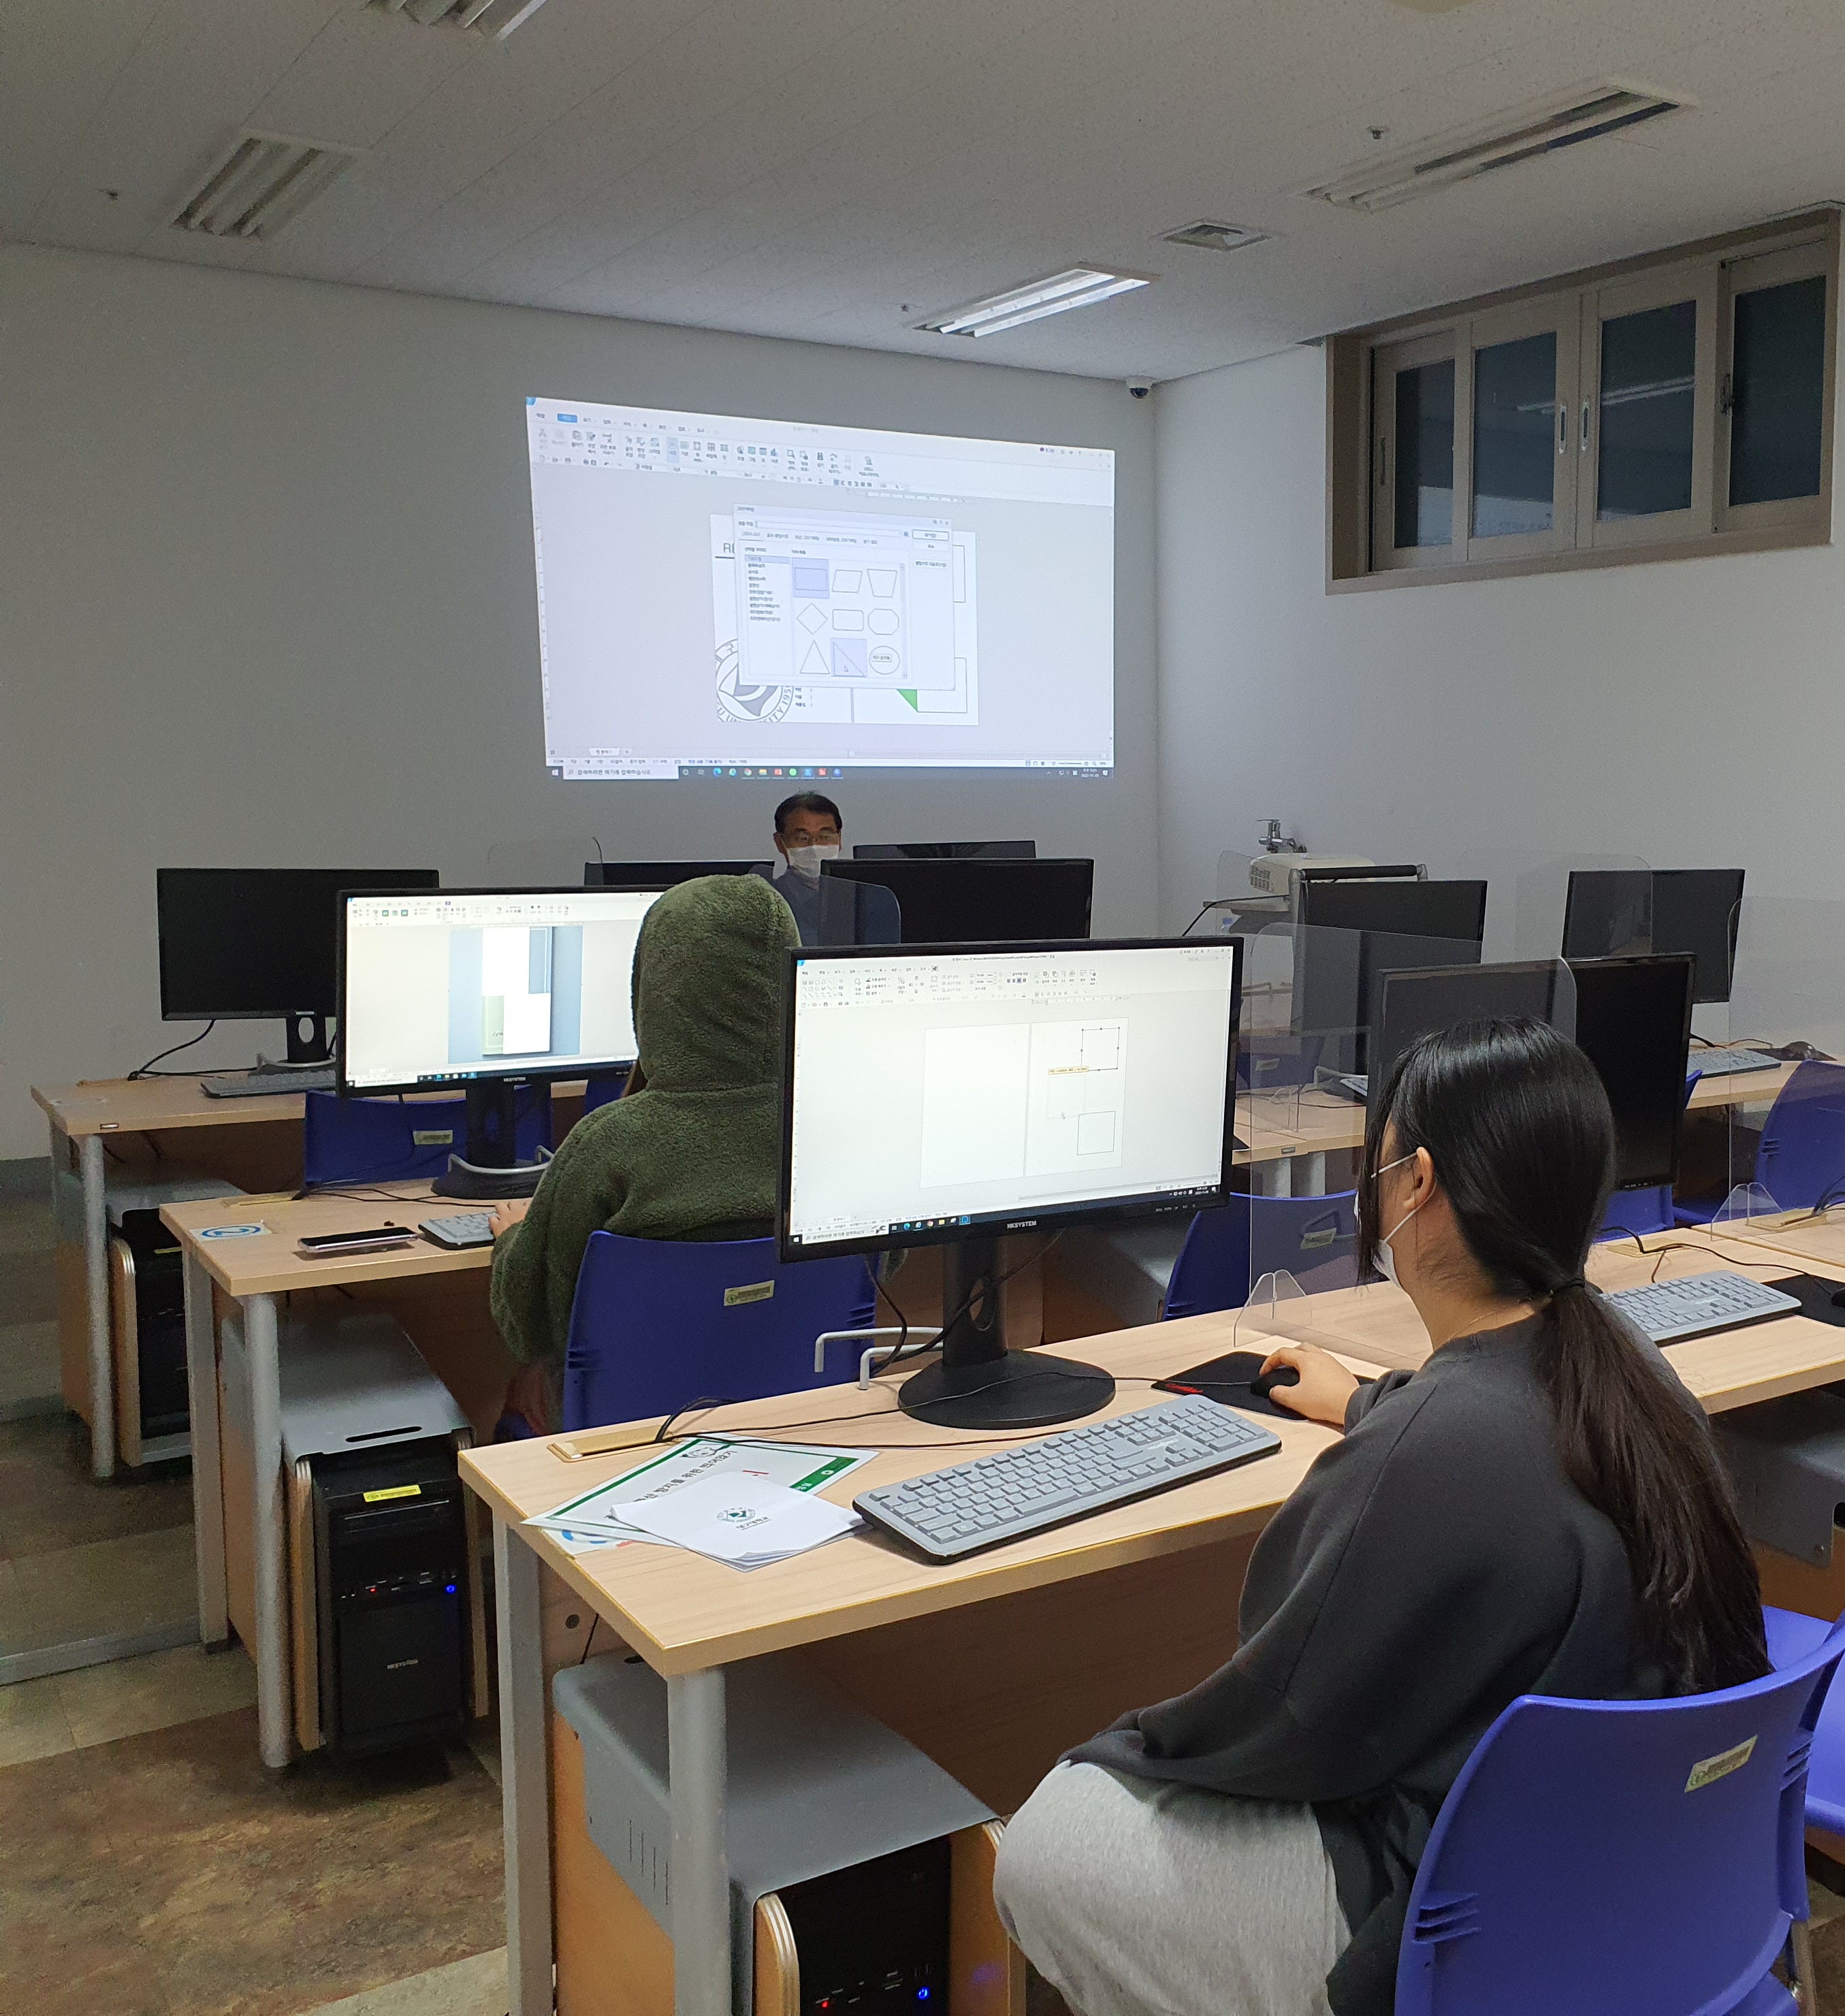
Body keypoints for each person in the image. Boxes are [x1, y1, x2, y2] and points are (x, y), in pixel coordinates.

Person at [994, 1018, 1772, 2016]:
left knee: (1056, 1833)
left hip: (1457, 1906)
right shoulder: (1636, 1374)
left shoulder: (1435, 1449)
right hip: (1627, 1869)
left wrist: (1131, 1743)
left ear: (1418, 1185)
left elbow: (1286, 1711)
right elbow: (1487, 1428)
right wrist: (1368, 1402)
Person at [485, 875, 801, 1428]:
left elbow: (534, 1325)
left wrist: (512, 1238)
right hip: (806, 1405)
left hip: (630, 1427)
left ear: (654, 987)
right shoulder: (827, 1129)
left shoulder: (608, 1143)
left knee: (511, 1385)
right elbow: (877, 1269)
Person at [758, 790, 901, 947]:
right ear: (780, 843)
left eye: (825, 837)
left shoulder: (862, 899)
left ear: (839, 839)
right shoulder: (769, 901)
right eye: (802, 838)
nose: (814, 846)